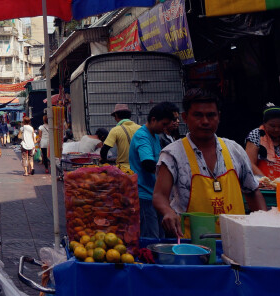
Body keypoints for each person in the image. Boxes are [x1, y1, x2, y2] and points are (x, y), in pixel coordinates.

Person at [154, 89, 267, 238]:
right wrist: (168, 211)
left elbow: (252, 191)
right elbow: (159, 195)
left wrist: (264, 226)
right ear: (185, 117)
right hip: (191, 244)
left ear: (219, 117)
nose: (205, 121)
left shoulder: (235, 150)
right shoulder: (172, 155)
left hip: (236, 241)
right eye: (198, 115)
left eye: (211, 115)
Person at [130, 103, 177, 239]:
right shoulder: (142, 136)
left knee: (161, 235)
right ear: (153, 120)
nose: (165, 128)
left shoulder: (155, 135)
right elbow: (148, 163)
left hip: (156, 194)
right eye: (164, 124)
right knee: (151, 237)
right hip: (145, 195)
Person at [101, 103, 142, 173]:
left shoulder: (115, 130)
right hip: (139, 169)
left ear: (116, 115)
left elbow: (104, 149)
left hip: (124, 170)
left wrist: (104, 162)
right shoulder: (140, 129)